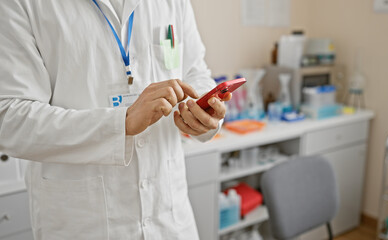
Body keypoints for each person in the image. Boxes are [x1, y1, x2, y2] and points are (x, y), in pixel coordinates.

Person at [0, 0, 230, 239]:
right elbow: (9, 117)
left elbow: (195, 72)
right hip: (85, 225)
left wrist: (205, 111)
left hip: (170, 220)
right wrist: (119, 124)